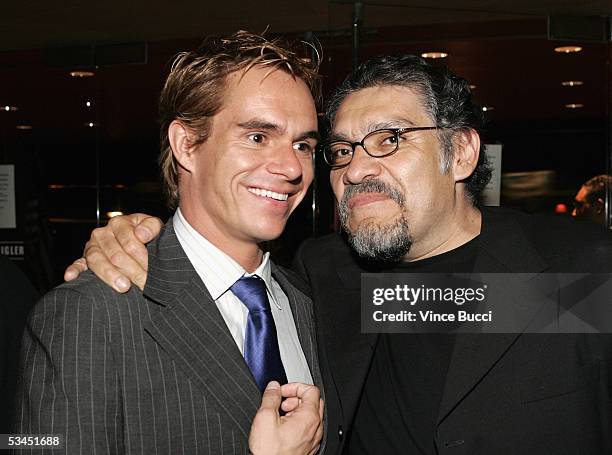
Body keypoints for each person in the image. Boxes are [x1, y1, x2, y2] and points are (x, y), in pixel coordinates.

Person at [66, 54, 612, 454]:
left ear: (462, 151)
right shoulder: (325, 276)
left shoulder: (581, 272)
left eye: (389, 139)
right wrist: (141, 240)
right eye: (341, 150)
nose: (355, 168)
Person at [15, 31, 326, 455]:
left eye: (303, 145)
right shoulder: (89, 313)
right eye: (257, 137)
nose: (292, 167)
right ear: (187, 145)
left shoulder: (308, 300)